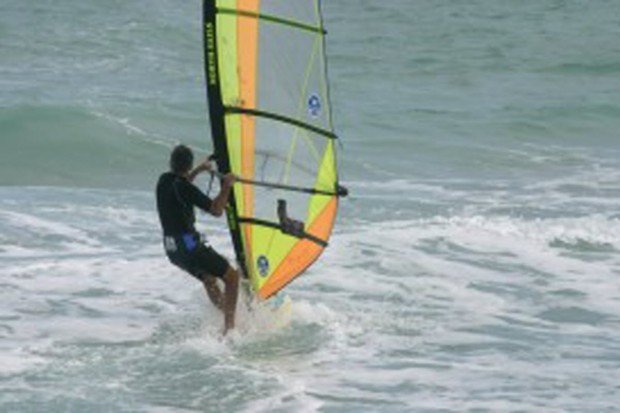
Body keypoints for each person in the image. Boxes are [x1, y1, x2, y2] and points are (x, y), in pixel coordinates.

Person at [156, 144, 240, 335]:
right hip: (189, 245)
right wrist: (226, 185)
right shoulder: (185, 187)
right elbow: (217, 210)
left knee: (209, 279)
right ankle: (230, 329)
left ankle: (225, 315)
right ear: (188, 165)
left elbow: (183, 183)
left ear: (171, 163)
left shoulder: (163, 181)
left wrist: (201, 170)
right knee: (232, 277)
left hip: (172, 249)